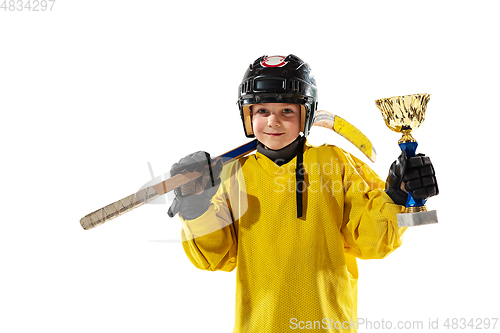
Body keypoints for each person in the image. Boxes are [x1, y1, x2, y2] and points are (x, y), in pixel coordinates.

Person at [167, 55, 438, 332]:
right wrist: (195, 206)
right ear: (247, 115)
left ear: (306, 115)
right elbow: (214, 258)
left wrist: (398, 195)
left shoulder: (336, 163)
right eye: (262, 111)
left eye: (287, 111)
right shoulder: (232, 175)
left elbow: (375, 244)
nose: (273, 121)